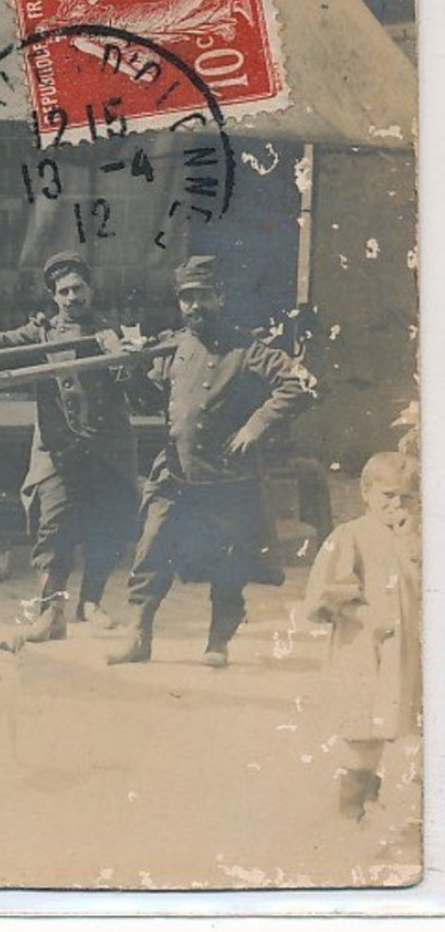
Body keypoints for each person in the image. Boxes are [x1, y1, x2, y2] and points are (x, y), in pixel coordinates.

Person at [107, 255, 315, 668]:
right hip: (174, 472)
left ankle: (218, 641)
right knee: (151, 549)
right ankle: (138, 637)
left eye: (203, 296)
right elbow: (149, 400)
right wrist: (130, 371)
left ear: (220, 297)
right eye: (187, 299)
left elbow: (303, 382)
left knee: (228, 559)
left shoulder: (247, 349)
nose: (195, 307)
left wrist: (257, 424)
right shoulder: (172, 348)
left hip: (226, 477)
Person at [0, 252, 139, 647]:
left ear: (91, 290)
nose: (72, 297)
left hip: (107, 447)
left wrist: (122, 355)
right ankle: (50, 613)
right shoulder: (41, 333)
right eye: (64, 291)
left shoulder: (111, 333)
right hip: (59, 449)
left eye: (79, 288)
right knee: (54, 528)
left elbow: (137, 383)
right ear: (53, 296)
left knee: (107, 527)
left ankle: (91, 603)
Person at [302, 451, 421, 856]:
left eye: (408, 497)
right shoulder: (350, 536)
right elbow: (325, 596)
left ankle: (379, 800)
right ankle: (349, 808)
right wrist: (365, 613)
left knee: (403, 724)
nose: (398, 506)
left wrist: (412, 542)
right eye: (388, 495)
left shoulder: (420, 537)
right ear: (366, 492)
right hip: (364, 653)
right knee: (364, 733)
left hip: (407, 654)